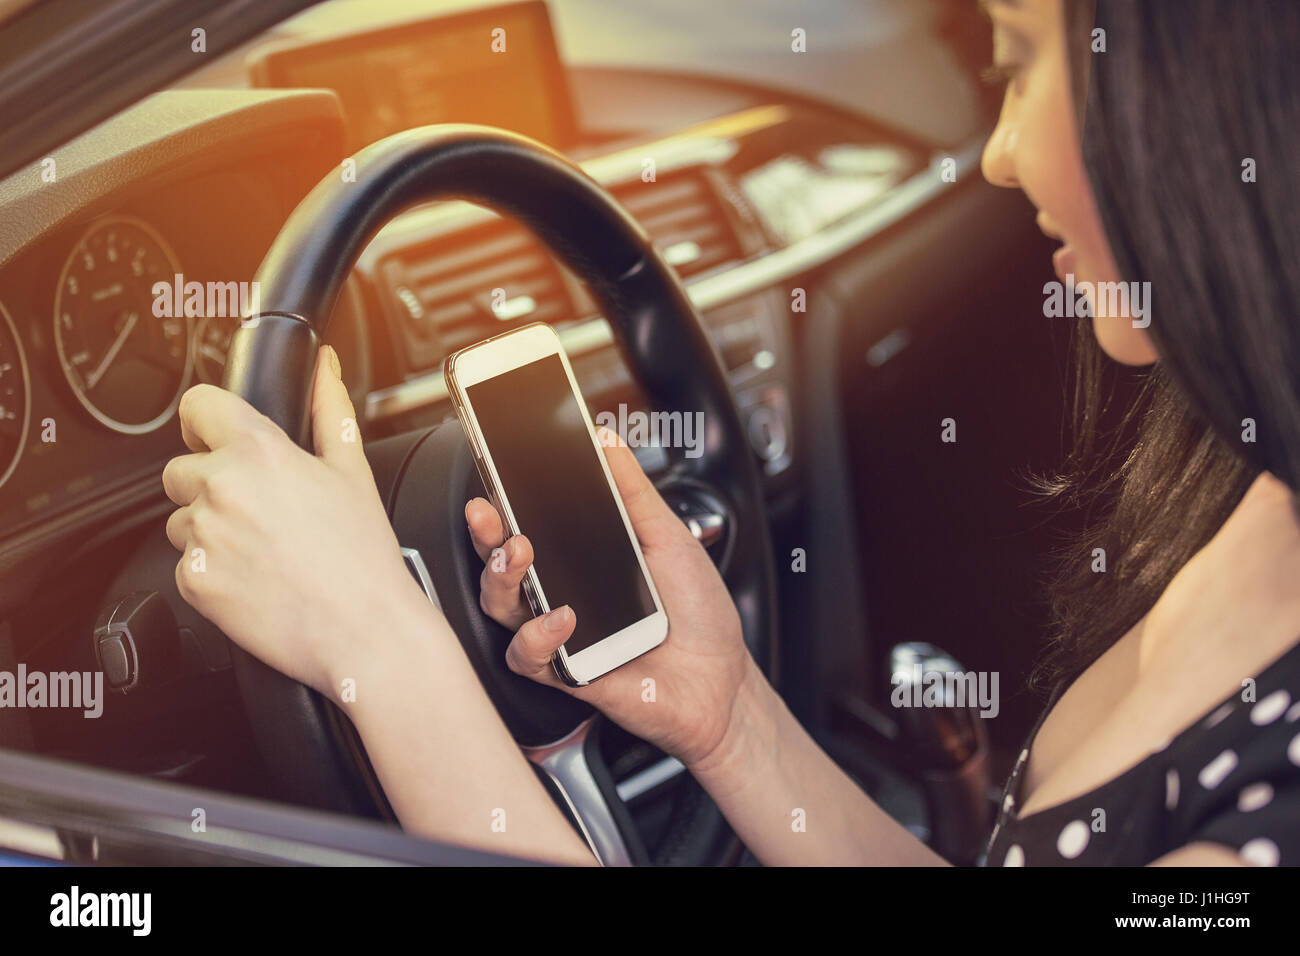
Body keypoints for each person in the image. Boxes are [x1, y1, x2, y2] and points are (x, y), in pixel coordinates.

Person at [161, 0, 1300, 866]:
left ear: (1199, 90)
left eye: (1015, 62)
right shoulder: (1260, 487)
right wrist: (729, 714)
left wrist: (376, 643)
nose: (997, 151)